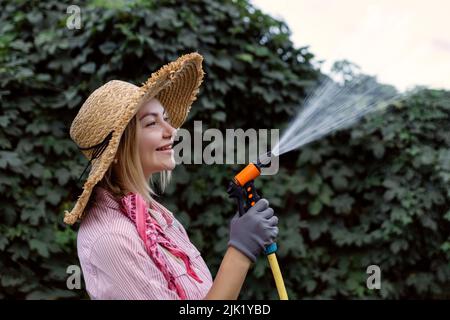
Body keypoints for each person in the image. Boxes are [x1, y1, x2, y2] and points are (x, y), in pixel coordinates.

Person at [64, 52, 279, 300]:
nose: (172, 131)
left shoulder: (154, 217)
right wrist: (240, 251)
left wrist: (245, 237)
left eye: (166, 119)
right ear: (117, 150)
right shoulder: (113, 239)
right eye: (151, 123)